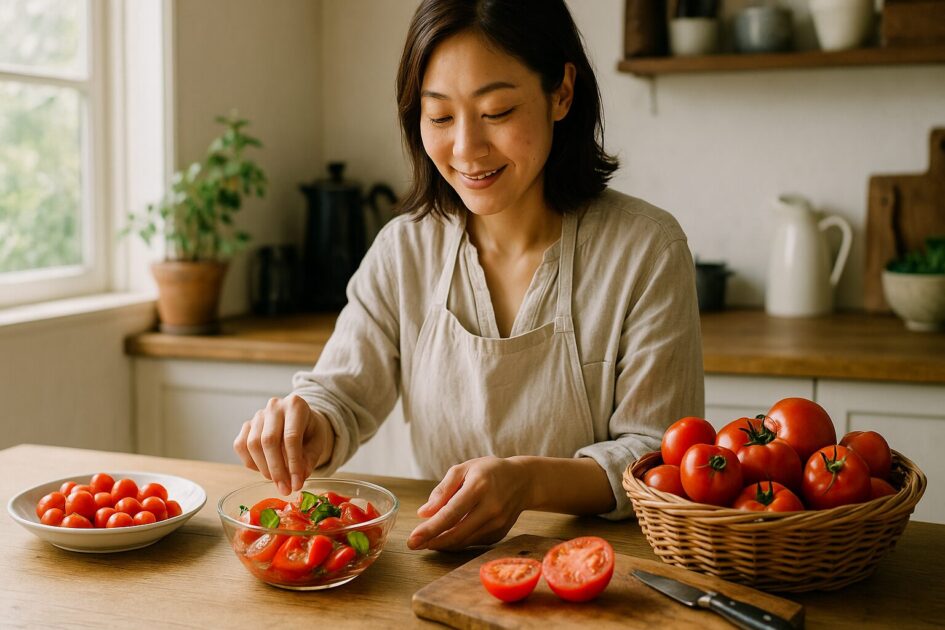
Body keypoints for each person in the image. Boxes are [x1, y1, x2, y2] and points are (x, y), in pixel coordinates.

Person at [233, 0, 704, 551]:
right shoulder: (404, 248)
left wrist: (528, 482)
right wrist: (307, 424)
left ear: (562, 94)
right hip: (442, 564)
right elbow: (341, 393)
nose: (465, 150)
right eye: (439, 117)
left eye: (498, 111)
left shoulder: (647, 248)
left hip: (600, 573)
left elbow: (656, 455)